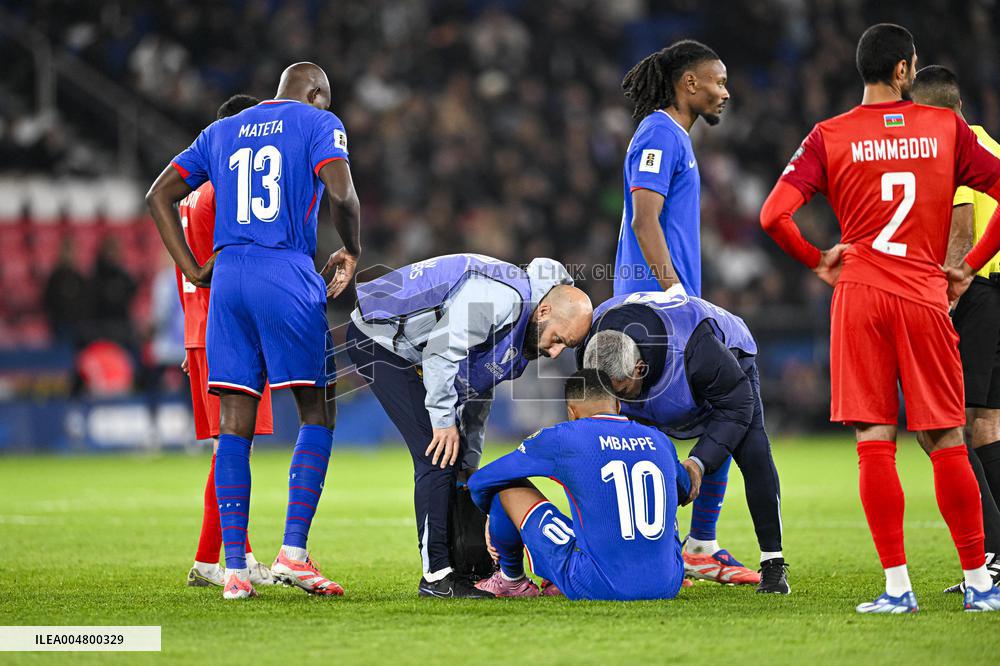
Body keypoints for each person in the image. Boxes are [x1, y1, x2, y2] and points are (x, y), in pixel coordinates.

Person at [759, 23, 1000, 613]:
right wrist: (969, 264)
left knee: (874, 442)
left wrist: (818, 259)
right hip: (924, 294)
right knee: (947, 438)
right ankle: (979, 583)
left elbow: (772, 216)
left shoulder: (829, 135)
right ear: (903, 71)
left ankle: (897, 588)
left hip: (860, 293)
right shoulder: (946, 128)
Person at [146, 62, 362, 600]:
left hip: (229, 280)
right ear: (315, 93)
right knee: (317, 407)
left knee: (233, 425)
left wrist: (196, 271)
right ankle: (293, 553)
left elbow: (158, 196)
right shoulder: (318, 122)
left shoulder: (219, 131)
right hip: (285, 269)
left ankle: (236, 571)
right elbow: (343, 196)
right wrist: (352, 249)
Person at [346, 253, 592, 598]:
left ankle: (467, 568)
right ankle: (437, 578)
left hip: (415, 348)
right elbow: (441, 353)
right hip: (379, 338)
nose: (554, 353)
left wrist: (470, 461)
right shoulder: (500, 297)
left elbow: (477, 393)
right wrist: (444, 423)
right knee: (435, 453)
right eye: (558, 339)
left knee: (456, 460)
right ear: (546, 311)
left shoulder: (525, 328)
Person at [615, 41, 747, 577]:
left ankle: (692, 543)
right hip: (654, 309)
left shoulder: (675, 139)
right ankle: (677, 543)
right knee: (716, 408)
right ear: (688, 83)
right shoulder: (658, 133)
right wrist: (675, 294)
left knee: (714, 410)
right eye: (718, 81)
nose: (726, 91)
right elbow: (646, 220)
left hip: (666, 307)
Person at [580, 290, 788, 593]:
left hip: (728, 368)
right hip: (667, 372)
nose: (614, 401)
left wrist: (698, 463)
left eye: (620, 390)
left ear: (639, 369)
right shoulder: (593, 349)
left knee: (753, 451)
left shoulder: (695, 350)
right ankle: (654, 558)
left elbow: (737, 405)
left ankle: (774, 563)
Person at [467, 369, 694, 600]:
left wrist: (491, 514)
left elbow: (481, 481)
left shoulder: (563, 437)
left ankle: (511, 580)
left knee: (506, 487)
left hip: (596, 584)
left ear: (571, 412)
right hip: (668, 583)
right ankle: (650, 569)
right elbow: (685, 490)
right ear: (617, 406)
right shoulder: (658, 439)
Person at [173, 94, 278, 590]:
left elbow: (188, 266)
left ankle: (239, 552)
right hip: (227, 331)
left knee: (228, 447)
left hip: (198, 330)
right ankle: (209, 560)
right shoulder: (228, 190)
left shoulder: (192, 193)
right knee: (233, 447)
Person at [910, 65, 1000, 594]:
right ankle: (995, 556)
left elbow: (961, 233)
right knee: (986, 425)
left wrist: (942, 302)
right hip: (995, 292)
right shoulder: (991, 143)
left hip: (973, 294)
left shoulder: (952, 148)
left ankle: (988, 549)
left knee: (942, 427)